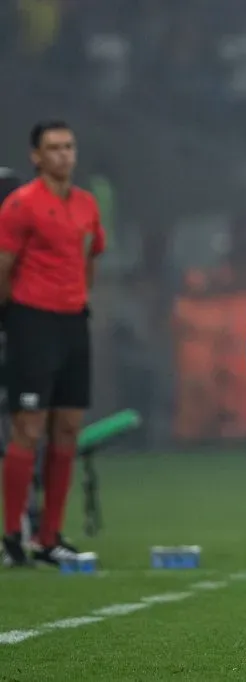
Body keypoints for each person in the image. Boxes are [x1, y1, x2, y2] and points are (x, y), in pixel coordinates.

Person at [0, 121, 105, 568]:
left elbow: (90, 258)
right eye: (53, 148)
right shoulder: (20, 205)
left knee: (66, 428)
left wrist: (79, 299)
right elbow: (4, 265)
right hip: (31, 321)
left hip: (72, 324)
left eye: (69, 146)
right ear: (36, 157)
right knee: (28, 427)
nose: (64, 155)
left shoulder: (86, 205)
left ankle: (49, 537)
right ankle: (12, 535)